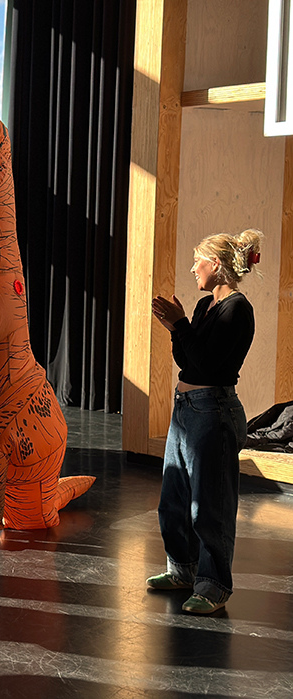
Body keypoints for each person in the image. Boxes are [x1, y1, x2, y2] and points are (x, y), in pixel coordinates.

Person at [148, 228, 262, 614]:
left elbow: (210, 366)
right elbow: (188, 361)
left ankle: (213, 586)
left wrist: (180, 325)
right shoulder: (203, 306)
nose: (193, 268)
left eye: (198, 260)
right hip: (186, 408)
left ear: (215, 264)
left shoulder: (237, 309)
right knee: (174, 499)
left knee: (210, 507)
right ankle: (182, 570)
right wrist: (176, 328)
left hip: (214, 412)